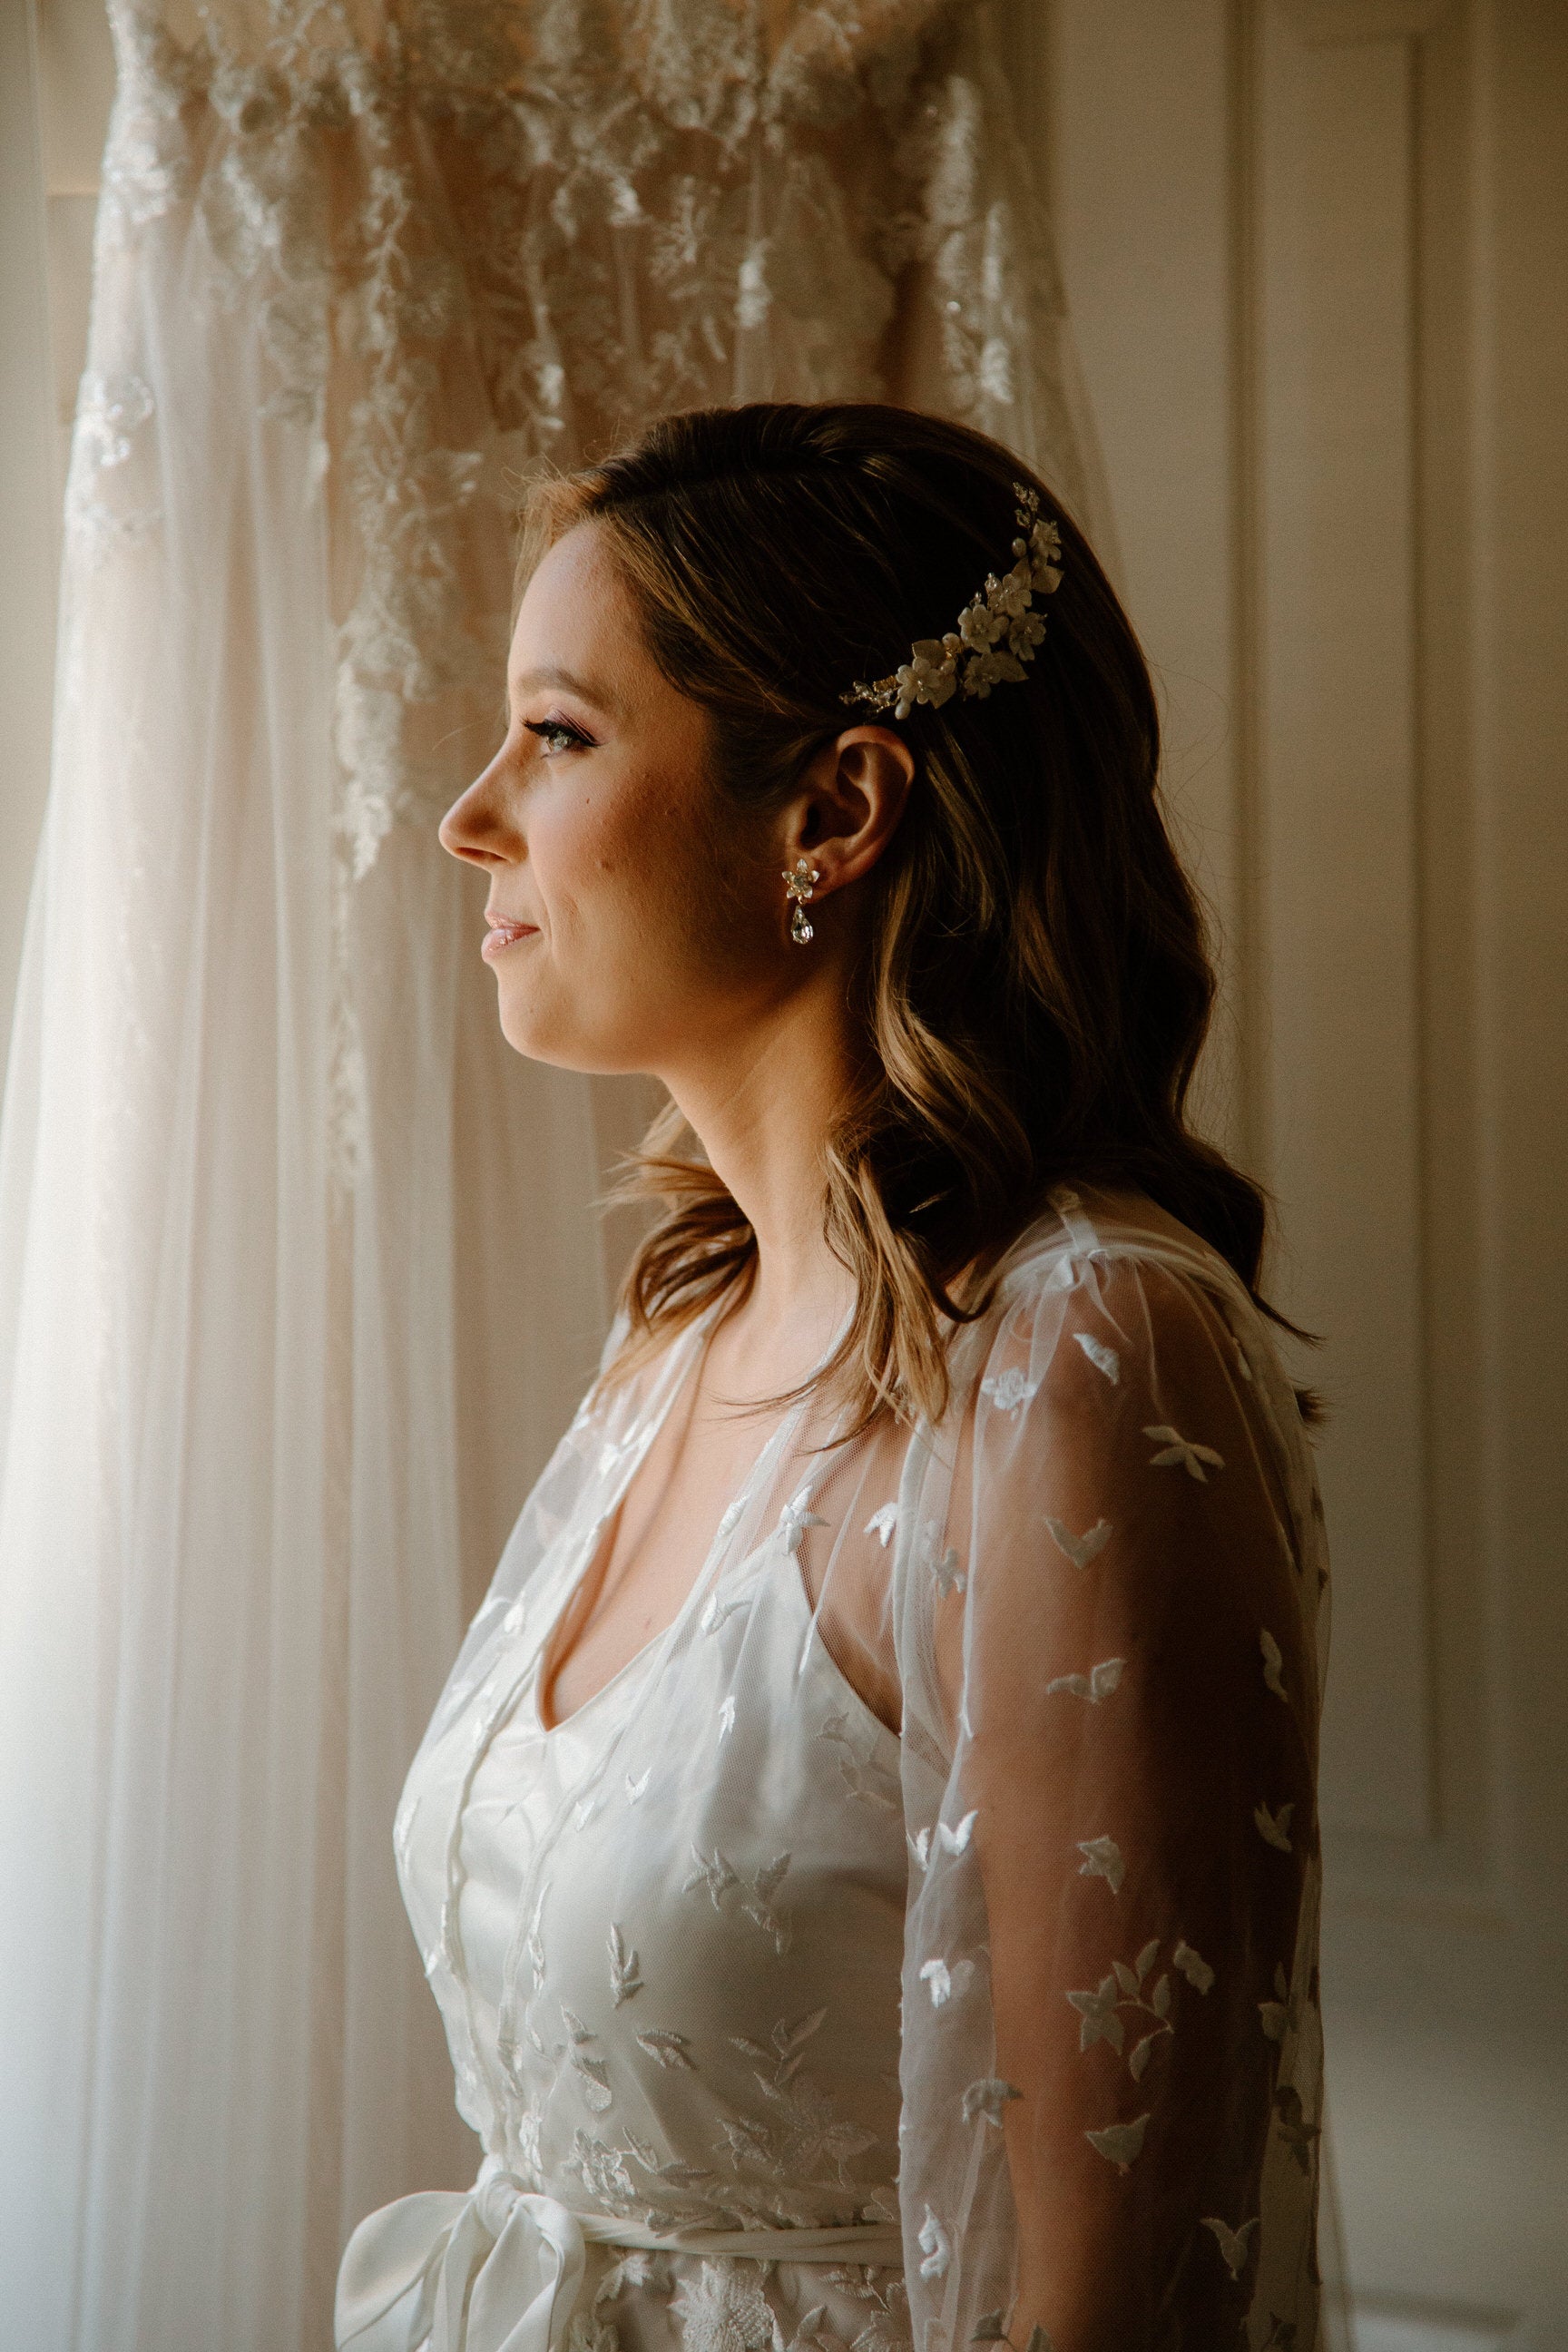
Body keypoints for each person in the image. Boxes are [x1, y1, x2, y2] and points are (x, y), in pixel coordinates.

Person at [334, 402, 1329, 2352]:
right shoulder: (681, 1330)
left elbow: (1111, 2310)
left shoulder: (1076, 1367)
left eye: (555, 735)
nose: (468, 815)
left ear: (836, 812)